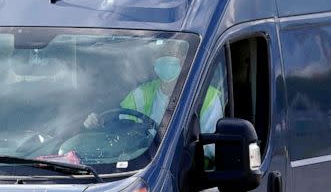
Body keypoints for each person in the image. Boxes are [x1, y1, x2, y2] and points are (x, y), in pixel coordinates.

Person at [83, 40, 226, 168]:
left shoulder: (207, 96)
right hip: (143, 167)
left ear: (185, 60)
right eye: (160, 55)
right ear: (154, 62)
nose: (164, 59)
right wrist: (98, 122)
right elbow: (120, 128)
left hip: (188, 173)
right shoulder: (141, 94)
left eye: (170, 54)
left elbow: (213, 149)